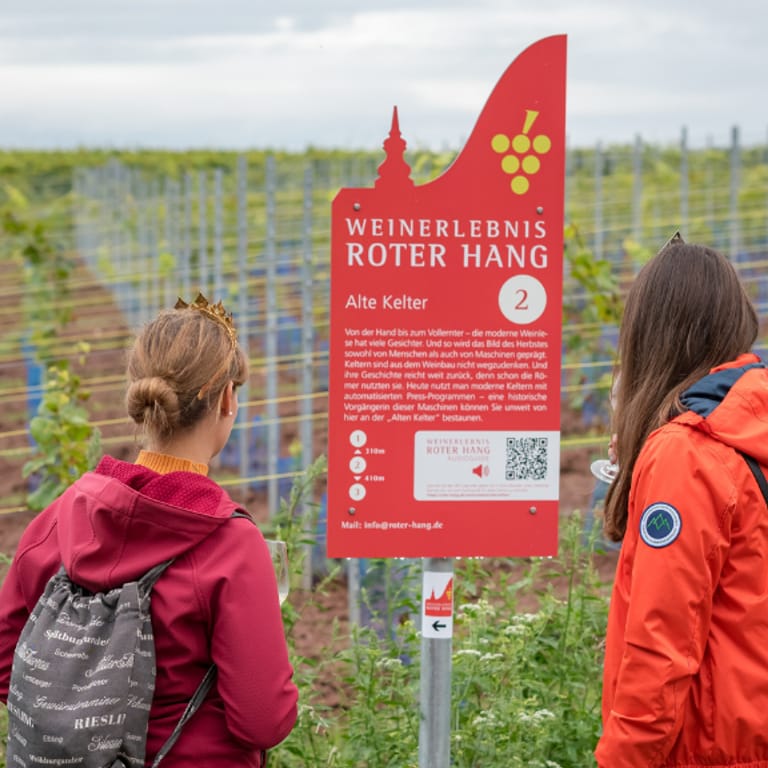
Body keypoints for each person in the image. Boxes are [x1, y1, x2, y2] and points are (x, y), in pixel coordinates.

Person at [0, 294, 298, 767]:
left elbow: (7, 660)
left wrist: (83, 724)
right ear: (226, 398)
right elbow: (263, 719)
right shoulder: (230, 545)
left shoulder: (63, 514)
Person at [595, 237, 768, 767]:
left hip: (706, 751)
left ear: (652, 335)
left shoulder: (686, 455)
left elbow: (660, 649)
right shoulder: (748, 423)